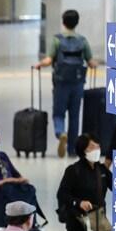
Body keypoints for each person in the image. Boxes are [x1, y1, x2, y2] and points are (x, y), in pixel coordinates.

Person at [34, 8, 98, 157]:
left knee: (58, 113)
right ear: (77, 23)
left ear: (63, 22)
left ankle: (61, 133)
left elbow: (49, 59)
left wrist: (38, 65)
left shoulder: (57, 40)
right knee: (75, 116)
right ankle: (72, 149)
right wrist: (95, 64)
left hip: (61, 83)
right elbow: (90, 61)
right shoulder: (82, 41)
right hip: (77, 83)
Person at [56, 132, 112, 231]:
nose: (96, 150)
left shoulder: (102, 170)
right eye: (92, 147)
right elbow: (62, 194)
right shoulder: (73, 170)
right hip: (77, 221)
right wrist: (79, 202)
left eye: (98, 147)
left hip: (98, 221)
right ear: (83, 150)